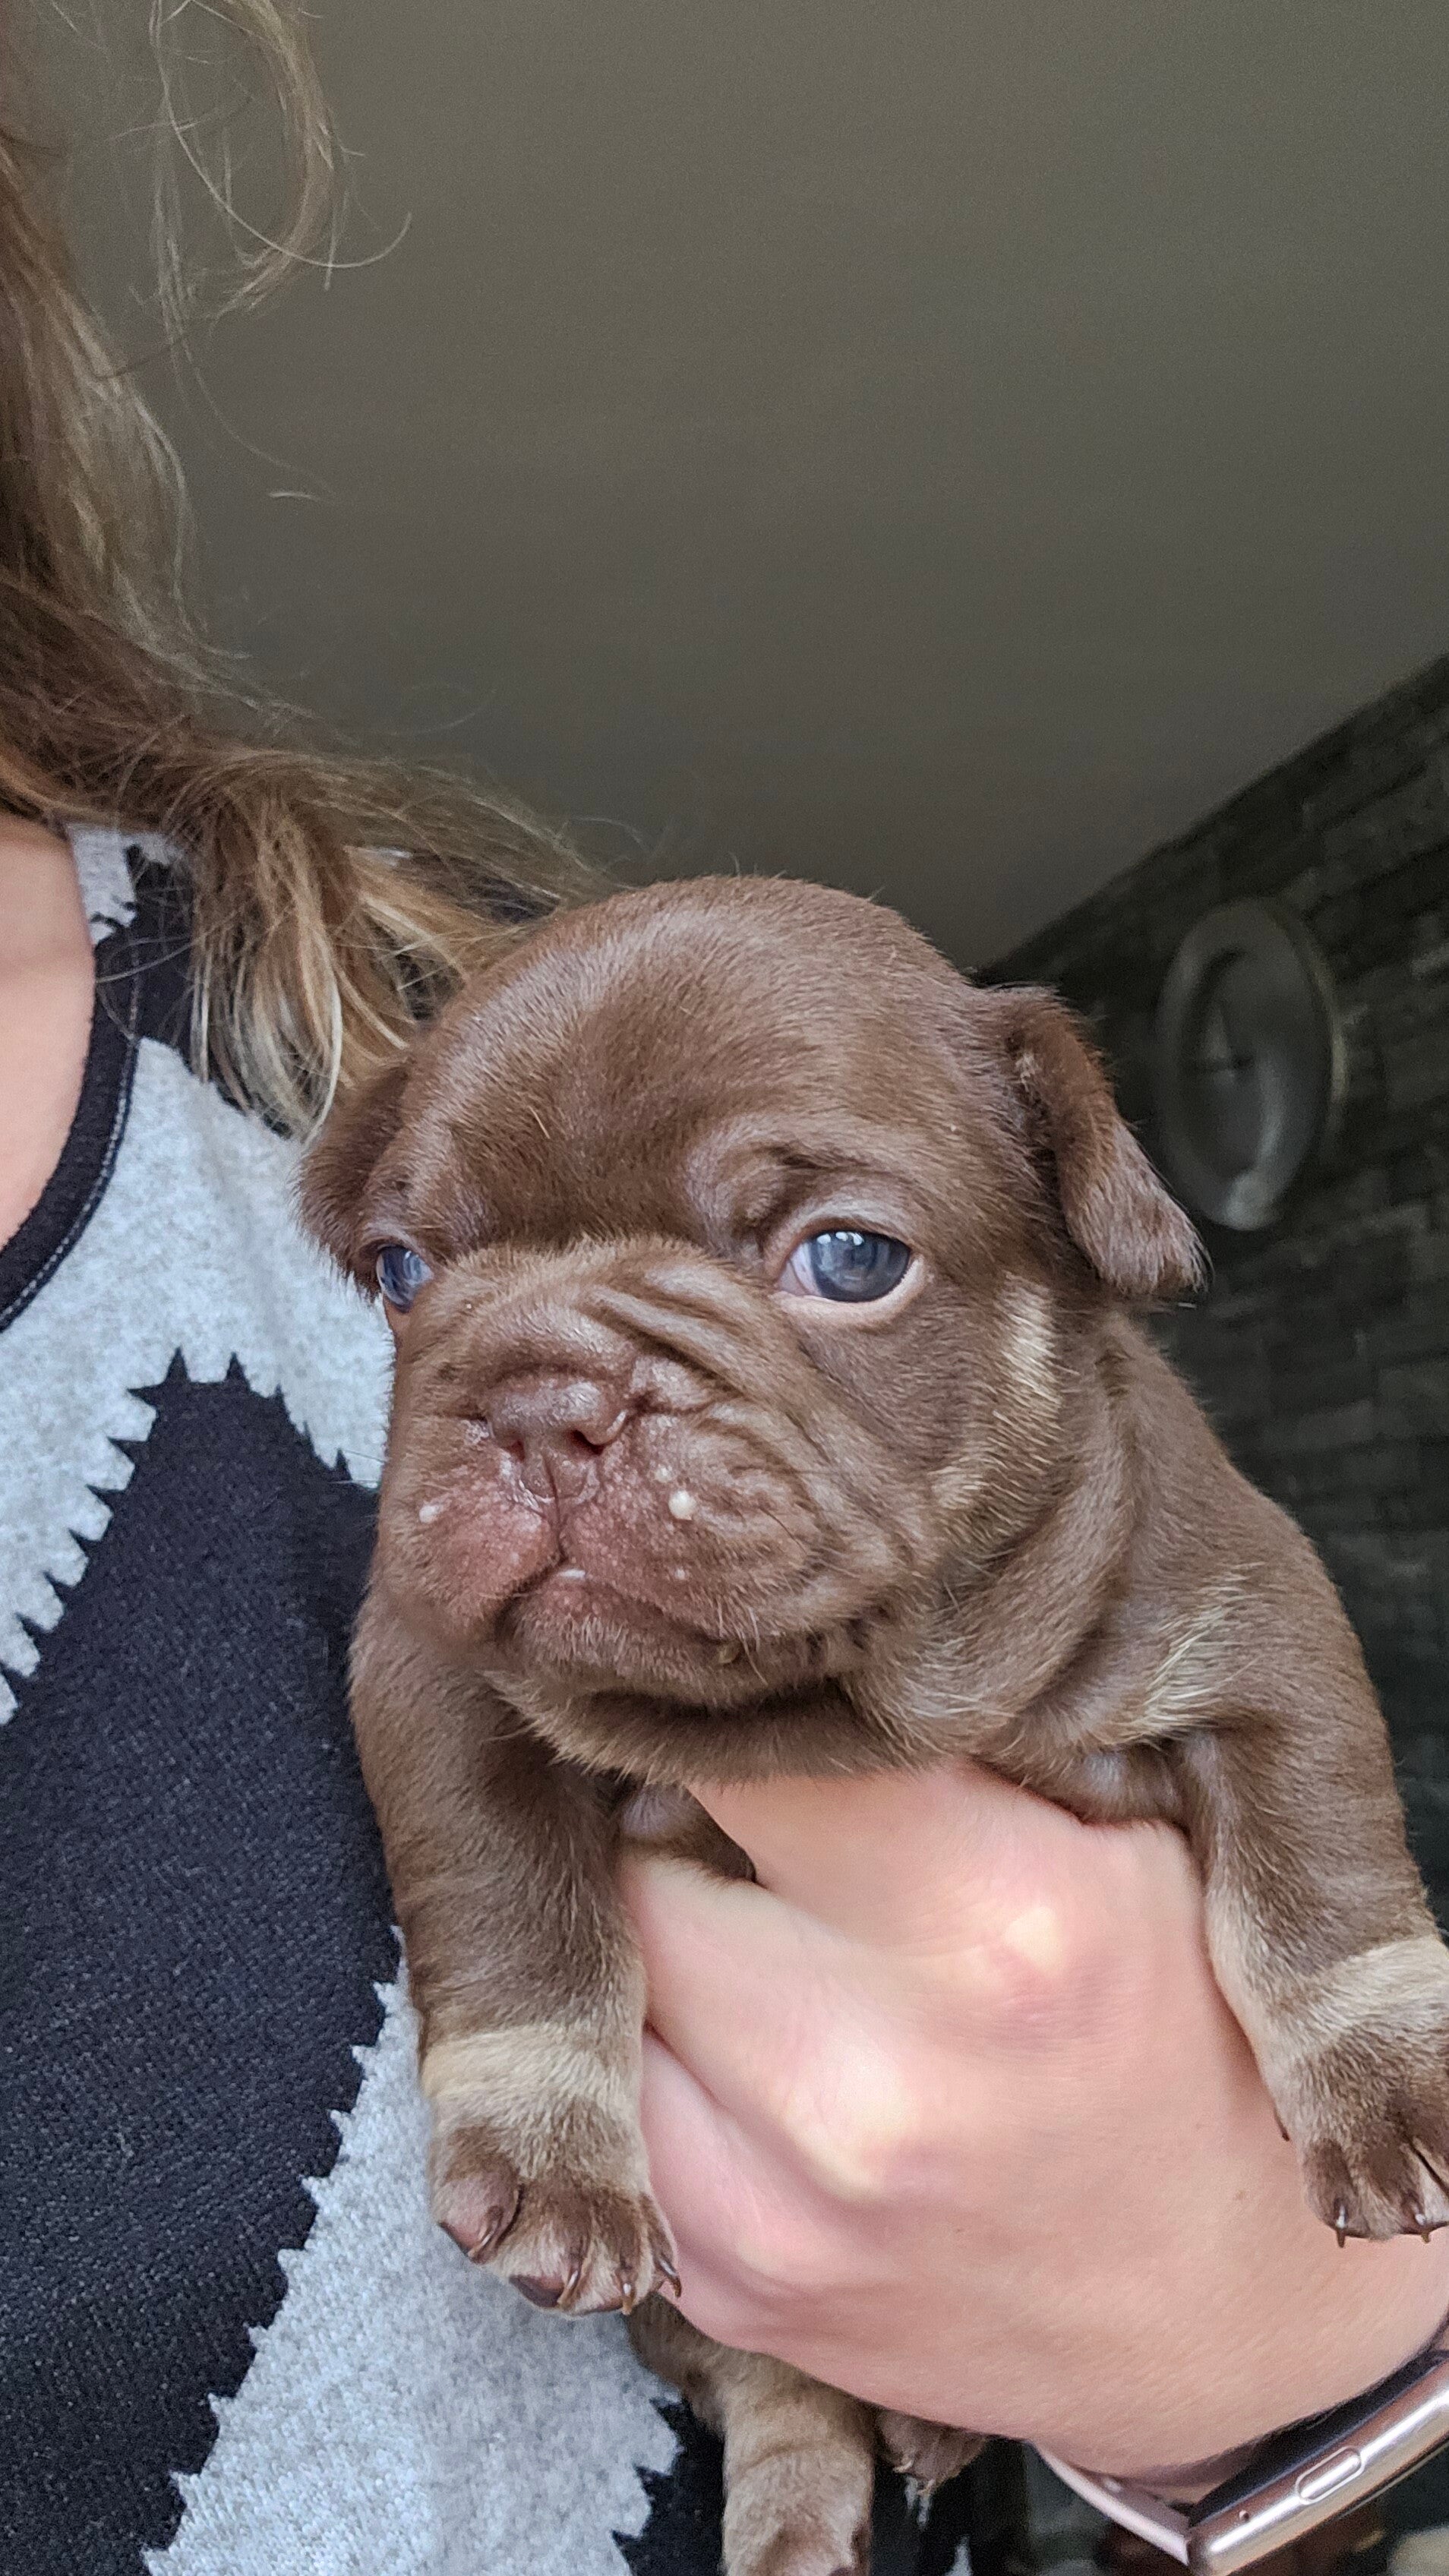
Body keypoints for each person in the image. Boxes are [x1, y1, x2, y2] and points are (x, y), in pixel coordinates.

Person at [3, 10, 1446, 2574]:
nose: (556, 1396)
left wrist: (1286, 2332)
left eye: (831, 1256)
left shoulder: (341, 994)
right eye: (425, 1272)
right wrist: (529, 2057)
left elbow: (1254, 1696)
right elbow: (443, 1706)